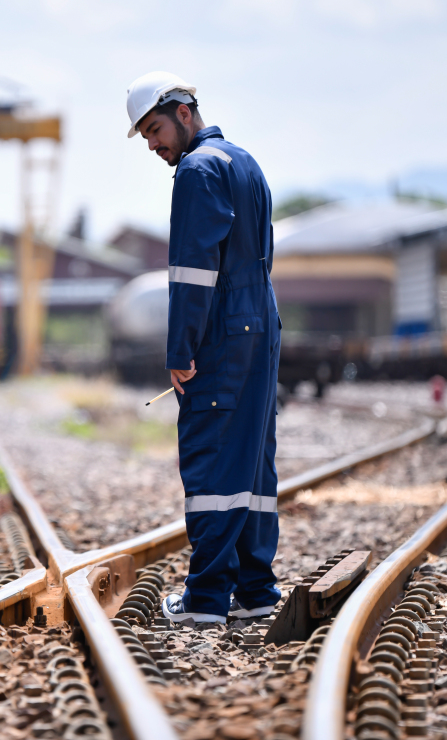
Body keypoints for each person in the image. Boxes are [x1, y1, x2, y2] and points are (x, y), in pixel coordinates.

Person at [125, 71, 281, 627]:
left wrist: (180, 349)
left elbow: (192, 273)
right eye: (145, 135)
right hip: (262, 324)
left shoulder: (195, 170)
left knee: (212, 456)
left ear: (184, 111)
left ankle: (207, 598)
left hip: (223, 330)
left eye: (155, 129)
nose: (152, 144)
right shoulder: (246, 163)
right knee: (253, 460)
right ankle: (257, 589)